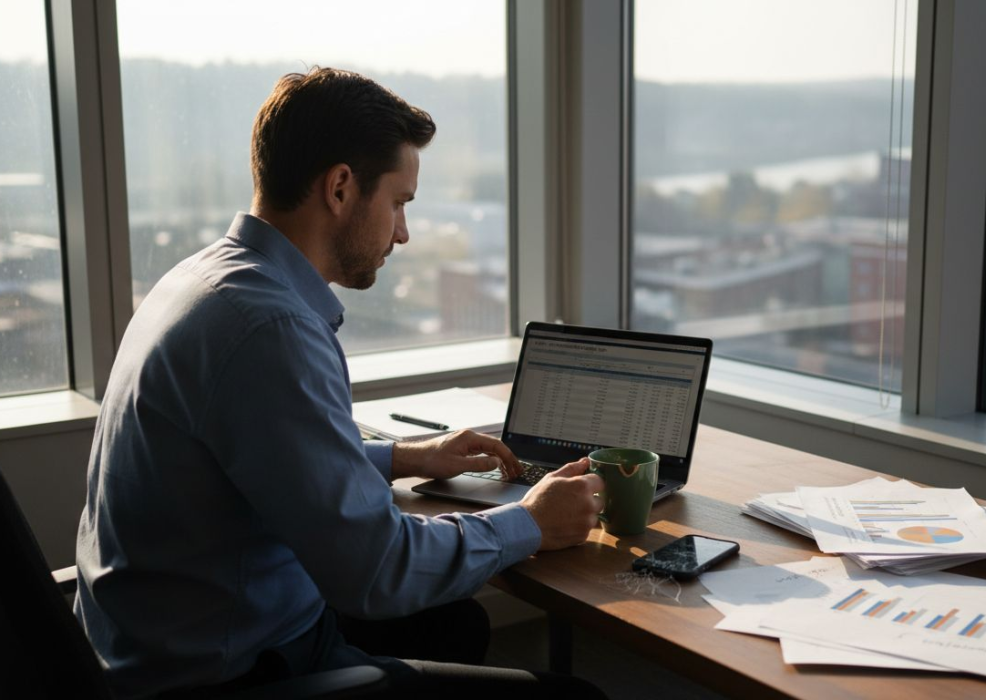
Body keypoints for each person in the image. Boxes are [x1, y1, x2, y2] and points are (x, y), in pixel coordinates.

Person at [73, 67, 606, 699]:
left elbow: (258, 457)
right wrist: (531, 522)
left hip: (148, 642)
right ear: (341, 188)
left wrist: (404, 457)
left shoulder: (203, 279)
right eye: (401, 202)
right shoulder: (270, 328)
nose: (403, 232)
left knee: (454, 624)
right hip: (228, 673)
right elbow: (377, 572)